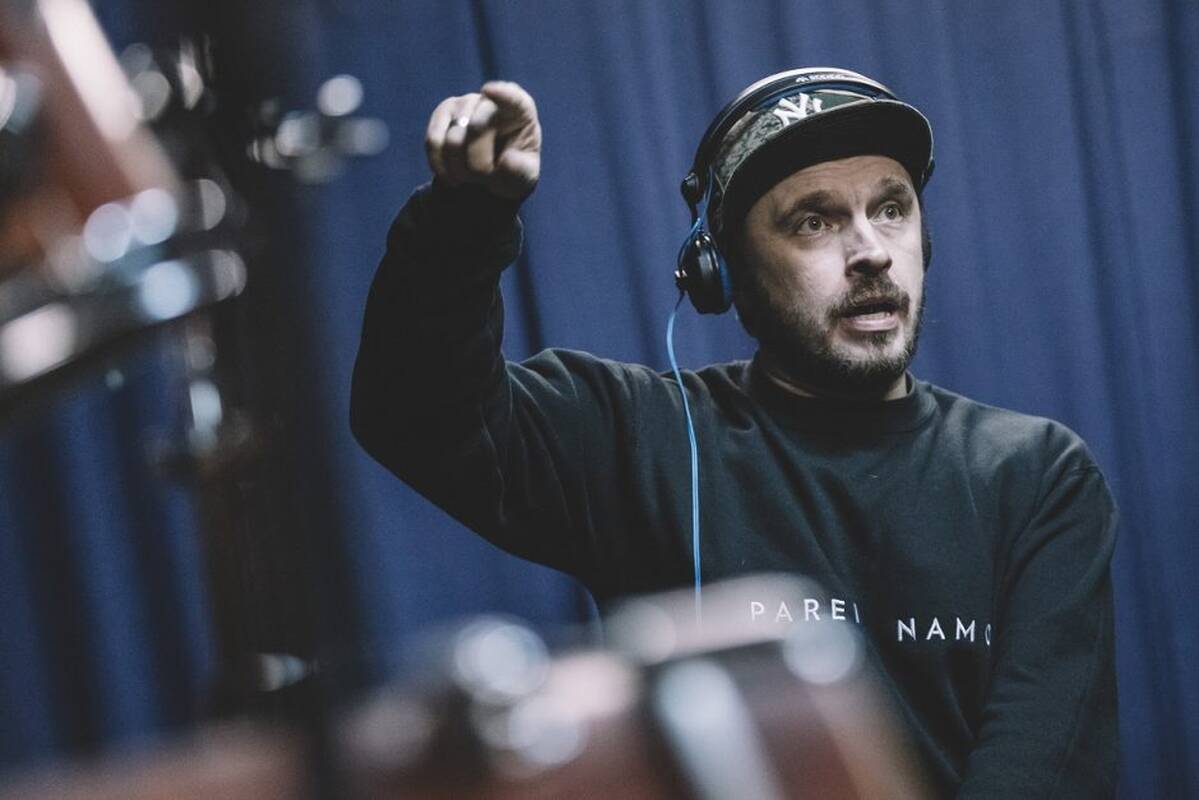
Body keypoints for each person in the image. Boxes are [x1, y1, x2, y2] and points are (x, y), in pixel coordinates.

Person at [350, 67, 1118, 798]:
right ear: (723, 269)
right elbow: (415, 411)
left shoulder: (1033, 472)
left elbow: (1044, 768)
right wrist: (465, 217)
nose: (871, 253)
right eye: (814, 220)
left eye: (891, 209)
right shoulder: (636, 433)